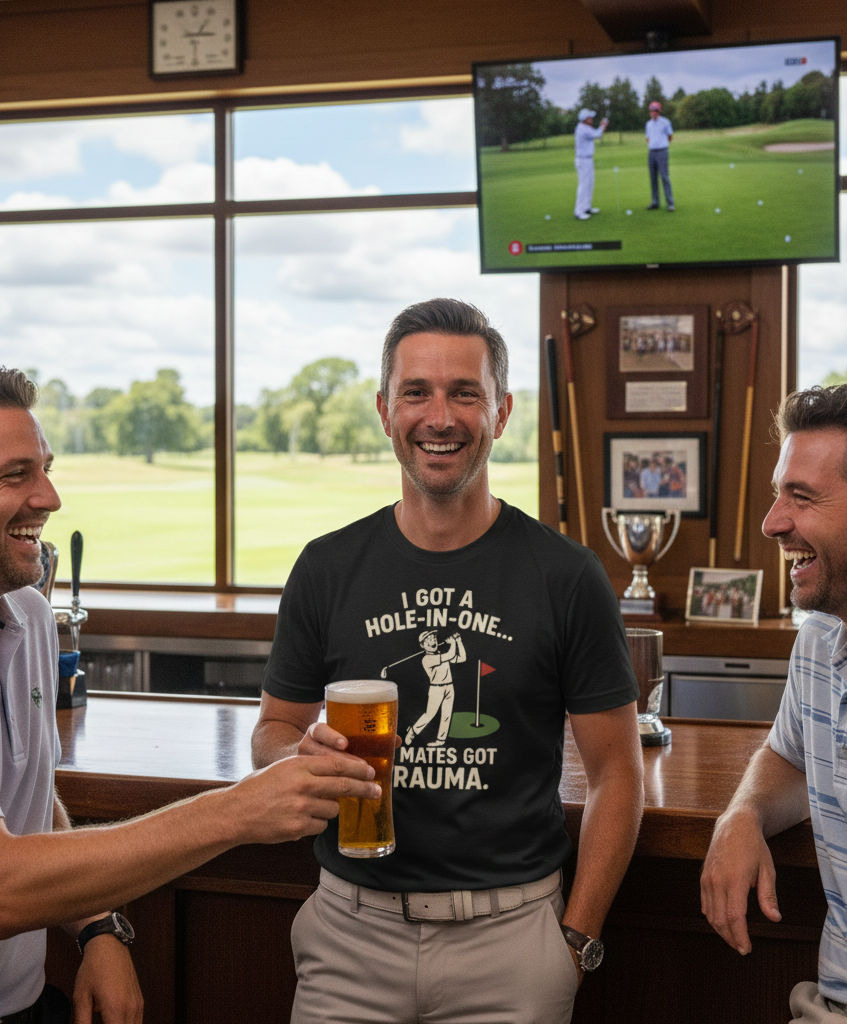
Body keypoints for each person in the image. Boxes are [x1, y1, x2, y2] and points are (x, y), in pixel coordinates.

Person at [252, 297, 644, 1024]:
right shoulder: (326, 568)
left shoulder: (566, 576)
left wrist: (575, 941)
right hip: (348, 936)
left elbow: (618, 774)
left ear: (501, 412)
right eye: (416, 393)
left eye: (465, 393)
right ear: (384, 410)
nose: (440, 417)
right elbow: (273, 730)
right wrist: (297, 755)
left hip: (512, 942)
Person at [0, 364, 381, 1024]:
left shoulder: (30, 616)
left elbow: (30, 802)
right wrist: (237, 810)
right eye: (15, 475)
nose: (49, 497)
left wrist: (98, 929)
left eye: (45, 469)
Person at [700, 382, 847, 1022]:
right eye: (777, 493)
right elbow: (788, 756)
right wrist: (743, 814)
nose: (772, 522)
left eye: (803, 497)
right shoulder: (820, 640)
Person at [573, 107, 609, 220]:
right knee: (584, 185)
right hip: (583, 160)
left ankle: (587, 207)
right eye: (590, 117)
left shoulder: (585, 127)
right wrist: (603, 125)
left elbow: (596, 132)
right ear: (585, 119)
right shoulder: (583, 129)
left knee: (589, 184)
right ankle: (579, 211)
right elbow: (598, 134)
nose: (592, 119)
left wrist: (602, 126)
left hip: (587, 159)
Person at [645, 100, 674, 211]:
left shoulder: (665, 122)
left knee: (664, 177)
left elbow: (670, 136)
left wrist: (662, 144)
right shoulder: (648, 124)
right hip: (652, 152)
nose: (654, 113)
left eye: (656, 111)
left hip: (662, 151)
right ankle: (655, 202)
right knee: (653, 178)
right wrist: (653, 145)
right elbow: (648, 138)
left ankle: (670, 203)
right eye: (652, 111)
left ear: (659, 111)